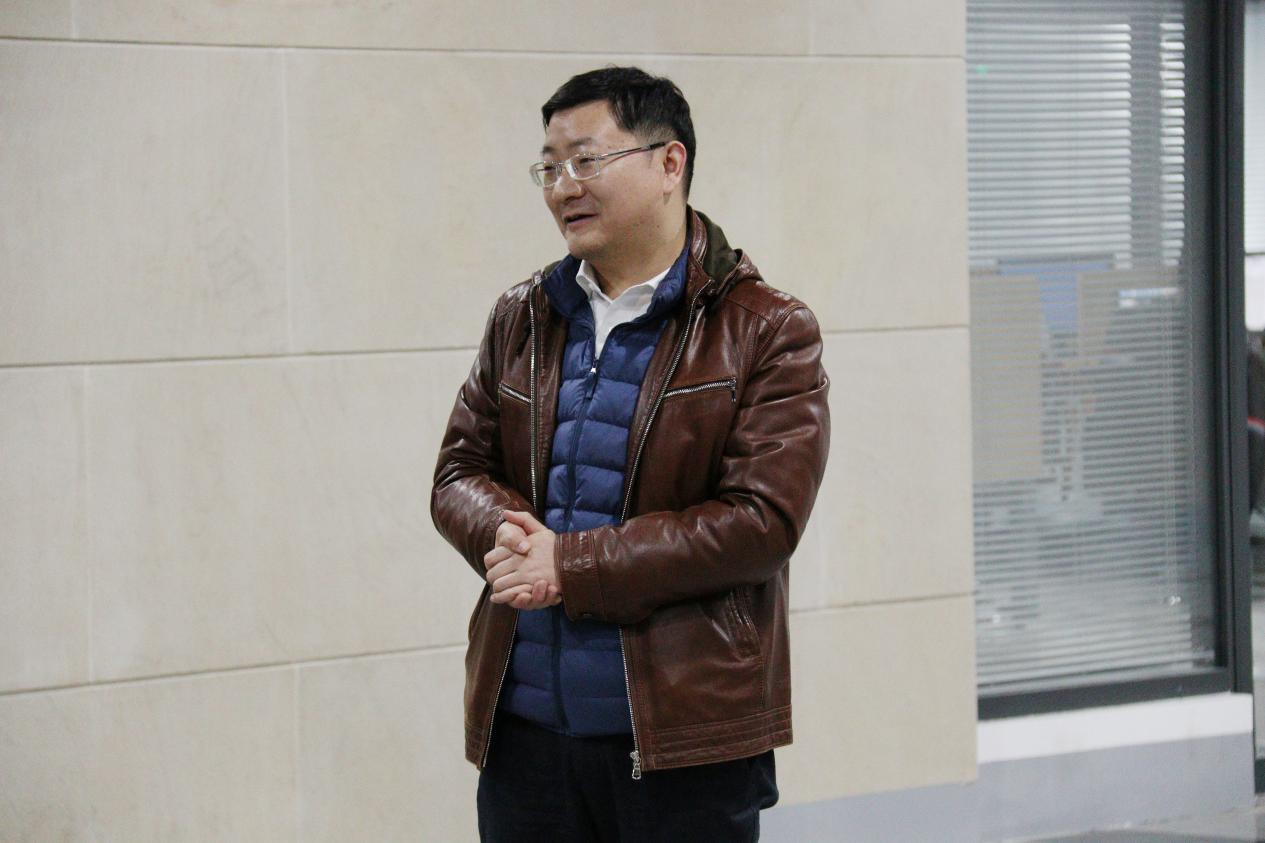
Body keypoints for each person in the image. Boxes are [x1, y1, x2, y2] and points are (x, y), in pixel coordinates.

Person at [431, 65, 830, 842]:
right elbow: (456, 473)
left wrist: (569, 564)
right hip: (525, 735)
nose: (563, 187)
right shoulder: (523, 315)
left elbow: (761, 522)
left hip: (683, 741)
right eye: (549, 168)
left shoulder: (766, 328)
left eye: (586, 160)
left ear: (669, 162)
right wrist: (511, 537)